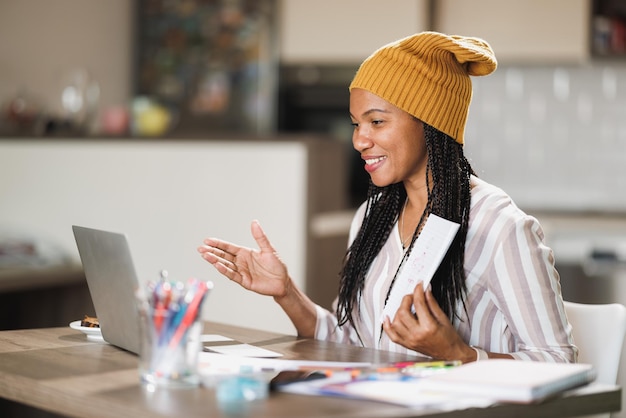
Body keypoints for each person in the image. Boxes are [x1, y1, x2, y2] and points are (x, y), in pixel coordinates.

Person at [198, 31, 577, 364]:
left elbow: (558, 361)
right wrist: (287, 293)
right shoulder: (372, 216)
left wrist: (457, 353)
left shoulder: (499, 226)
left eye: (377, 121)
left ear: (431, 123)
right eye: (356, 124)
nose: (359, 140)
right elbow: (354, 343)